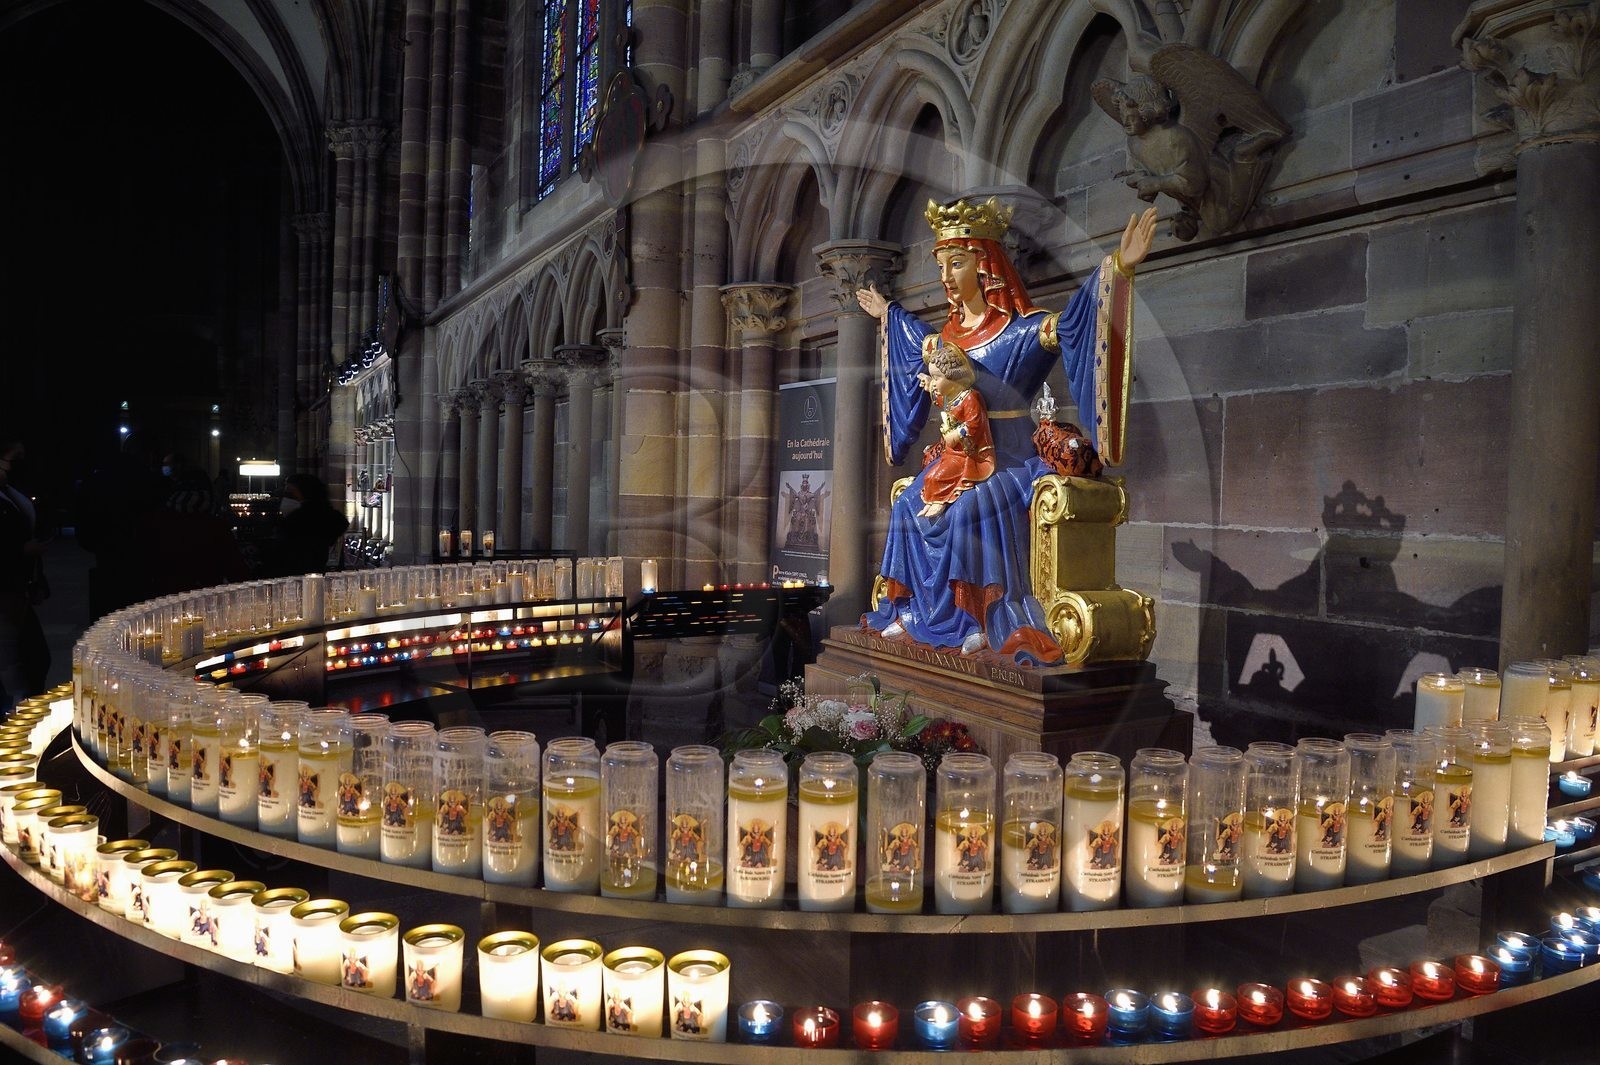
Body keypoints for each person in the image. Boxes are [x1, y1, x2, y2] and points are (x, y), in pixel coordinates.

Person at [856, 199, 1158, 664]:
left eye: (957, 262)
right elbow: (915, 338)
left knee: (965, 513)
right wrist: (887, 313)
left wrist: (1119, 268)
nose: (946, 275)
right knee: (906, 504)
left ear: (987, 266)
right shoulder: (946, 340)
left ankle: (979, 616)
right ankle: (913, 611)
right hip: (959, 459)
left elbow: (1078, 323)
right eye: (942, 265)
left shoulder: (1024, 332)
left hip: (1010, 461)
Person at [916, 339, 994, 520]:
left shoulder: (970, 398)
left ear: (952, 377)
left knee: (936, 477)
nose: (934, 383)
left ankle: (940, 501)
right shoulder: (952, 397)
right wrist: (930, 385)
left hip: (970, 455)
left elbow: (975, 424)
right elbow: (940, 399)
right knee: (929, 477)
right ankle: (933, 501)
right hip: (951, 452)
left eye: (937, 377)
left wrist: (956, 434)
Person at [0, 440, 50, 708]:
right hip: (5, 590)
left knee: (34, 657)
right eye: (15, 457)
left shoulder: (9, 493)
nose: (20, 463)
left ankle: (25, 708)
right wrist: (19, 550)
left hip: (18, 588)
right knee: (14, 662)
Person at [263, 472, 348, 576]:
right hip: (306, 568)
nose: (286, 498)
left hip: (297, 569)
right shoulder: (319, 513)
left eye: (291, 493)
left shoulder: (303, 517)